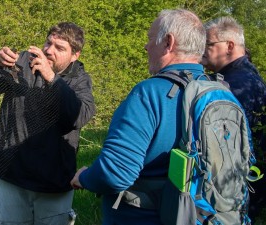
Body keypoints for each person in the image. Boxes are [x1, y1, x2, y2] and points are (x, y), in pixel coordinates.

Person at [70, 9, 206, 225]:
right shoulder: (222, 92)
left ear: (168, 42)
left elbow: (115, 172)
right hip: (206, 216)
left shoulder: (150, 93)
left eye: (150, 38)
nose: (146, 46)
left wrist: (85, 178)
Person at [0, 22, 95, 225]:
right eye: (48, 42)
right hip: (11, 174)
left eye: (60, 48)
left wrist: (52, 78)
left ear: (75, 55)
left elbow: (78, 117)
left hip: (54, 183)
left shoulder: (79, 80)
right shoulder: (24, 63)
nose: (49, 50)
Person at [201, 16, 266, 222]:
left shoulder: (235, 86)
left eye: (208, 44)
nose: (202, 50)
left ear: (229, 46)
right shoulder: (245, 75)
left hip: (239, 188)